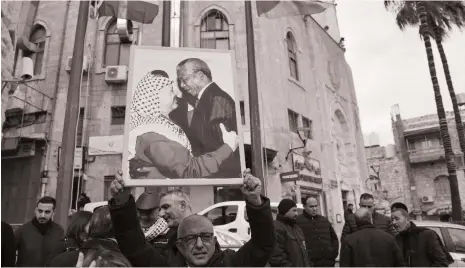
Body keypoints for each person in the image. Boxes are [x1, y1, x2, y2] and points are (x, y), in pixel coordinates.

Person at [108, 169, 276, 266]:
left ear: (214, 239)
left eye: (205, 237)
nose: (199, 245)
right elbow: (133, 246)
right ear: (179, 245)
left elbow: (263, 244)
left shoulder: (231, 263)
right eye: (190, 239)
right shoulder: (166, 265)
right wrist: (122, 201)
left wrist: (255, 200)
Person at [128, 70, 239, 179]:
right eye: (171, 91)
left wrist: (162, 172)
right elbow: (189, 171)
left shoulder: (163, 125)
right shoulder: (154, 136)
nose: (176, 93)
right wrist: (228, 147)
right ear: (155, 98)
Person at [174, 58, 241, 178]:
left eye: (184, 80)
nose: (182, 85)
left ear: (200, 76)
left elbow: (217, 144)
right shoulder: (206, 99)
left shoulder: (217, 99)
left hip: (218, 176)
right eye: (180, 81)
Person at [339, 208, 405, 267]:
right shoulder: (388, 238)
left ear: (355, 221)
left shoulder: (349, 240)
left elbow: (344, 264)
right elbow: (399, 262)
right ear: (371, 219)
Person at [15, 196, 64, 267]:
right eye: (40, 211)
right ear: (35, 210)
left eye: (47, 212)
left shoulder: (59, 231)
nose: (42, 215)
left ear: (54, 212)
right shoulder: (22, 231)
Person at [296, 197, 339, 267]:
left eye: (316, 206)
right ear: (304, 206)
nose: (314, 209)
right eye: (311, 207)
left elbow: (334, 238)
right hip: (311, 263)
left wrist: (333, 253)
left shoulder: (324, 220)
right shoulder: (298, 221)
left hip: (328, 262)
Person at [269, 199, 311, 267]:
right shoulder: (276, 228)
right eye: (294, 210)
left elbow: (305, 254)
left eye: (296, 211)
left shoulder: (297, 228)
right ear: (285, 212)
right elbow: (277, 257)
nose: (296, 214)